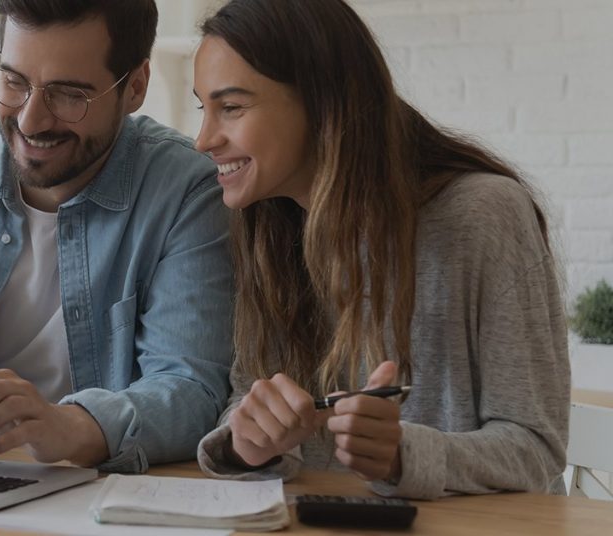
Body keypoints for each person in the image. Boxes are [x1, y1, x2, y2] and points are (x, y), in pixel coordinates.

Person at [191, 0, 569, 500]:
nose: (203, 140)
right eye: (204, 108)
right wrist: (249, 443)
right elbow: (251, 398)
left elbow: (536, 449)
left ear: (322, 102)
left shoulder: (483, 215)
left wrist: (402, 456)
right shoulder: (268, 227)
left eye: (232, 107)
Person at [0, 0, 233, 474]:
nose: (31, 121)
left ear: (135, 86)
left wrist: (69, 426)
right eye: (14, 82)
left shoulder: (185, 190)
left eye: (69, 94)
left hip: (93, 493)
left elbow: (191, 389)